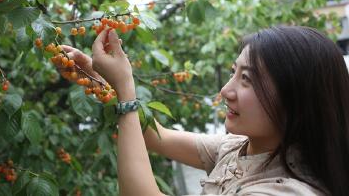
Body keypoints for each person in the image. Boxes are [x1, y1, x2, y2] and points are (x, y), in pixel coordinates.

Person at [59, 26, 349, 196]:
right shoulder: (240, 149)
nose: (225, 90)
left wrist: (126, 86)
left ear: (296, 100)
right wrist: (97, 79)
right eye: (234, 72)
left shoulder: (284, 191)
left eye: (246, 79)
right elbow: (155, 136)